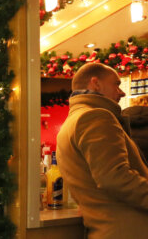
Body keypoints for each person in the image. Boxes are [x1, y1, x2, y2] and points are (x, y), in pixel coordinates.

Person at [57, 63, 148, 238]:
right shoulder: (97, 116)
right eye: (116, 84)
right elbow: (115, 177)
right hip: (128, 231)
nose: (122, 92)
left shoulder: (73, 120)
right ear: (96, 83)